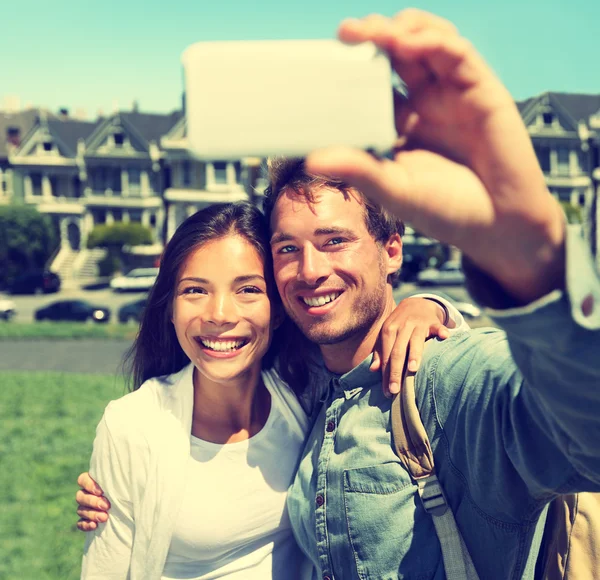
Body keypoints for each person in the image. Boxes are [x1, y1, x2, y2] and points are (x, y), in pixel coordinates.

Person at [78, 8, 600, 579]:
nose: (309, 270)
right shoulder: (303, 382)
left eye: (334, 240)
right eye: (286, 249)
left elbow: (584, 437)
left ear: (392, 249)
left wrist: (537, 267)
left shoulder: (445, 381)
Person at [79, 200, 461, 579]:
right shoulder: (134, 425)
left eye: (247, 290)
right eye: (195, 290)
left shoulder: (305, 391)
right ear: (171, 307)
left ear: (276, 309)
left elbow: (369, 329)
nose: (220, 314)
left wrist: (431, 306)